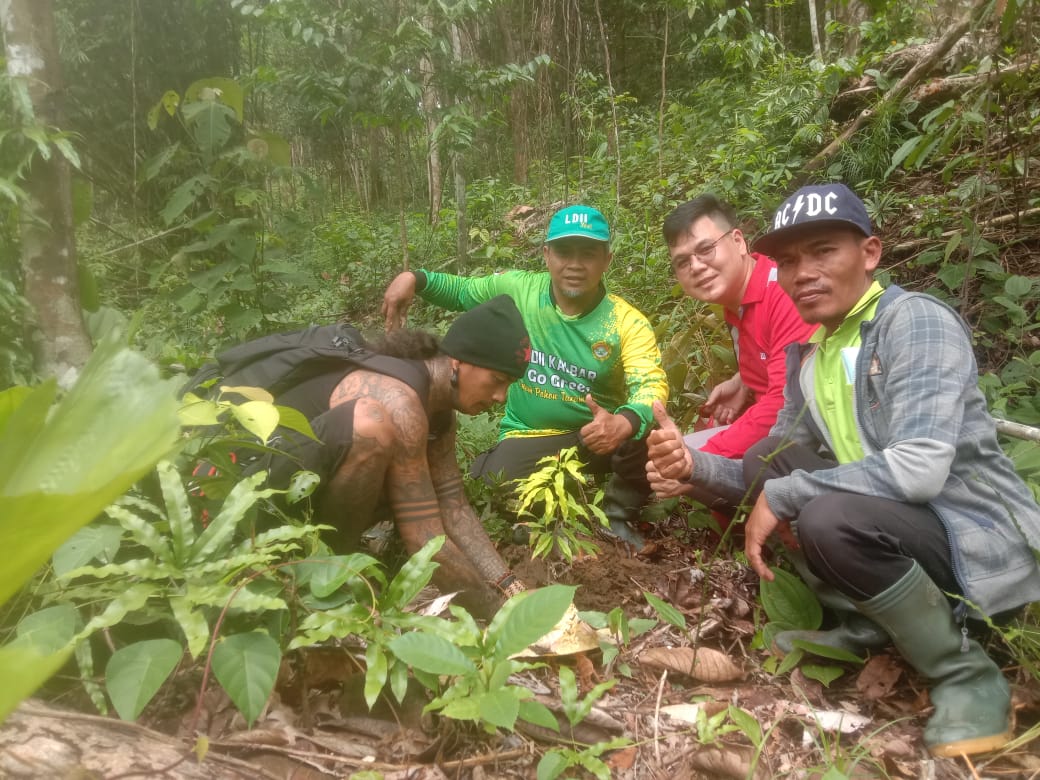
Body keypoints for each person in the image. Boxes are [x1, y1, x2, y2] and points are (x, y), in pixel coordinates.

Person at [647, 182, 1040, 757]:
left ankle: (965, 674)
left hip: (970, 537)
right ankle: (867, 622)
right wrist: (692, 466)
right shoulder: (811, 353)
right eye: (788, 261)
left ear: (870, 253)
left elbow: (921, 468)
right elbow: (769, 471)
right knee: (769, 460)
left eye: (824, 250)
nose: (803, 272)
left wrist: (791, 492)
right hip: (898, 529)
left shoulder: (914, 322)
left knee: (823, 511)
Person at [382, 205, 669, 548]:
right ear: (547, 255)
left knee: (650, 426)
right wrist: (415, 279)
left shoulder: (625, 322)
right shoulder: (520, 291)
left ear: (606, 260)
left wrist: (622, 423)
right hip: (531, 435)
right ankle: (543, 502)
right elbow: (462, 292)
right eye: (564, 252)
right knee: (493, 485)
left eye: (588, 253)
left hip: (602, 437)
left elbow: (650, 385)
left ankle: (618, 514)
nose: (575, 264)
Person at [265, 296, 533, 618]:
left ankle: (335, 568)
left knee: (410, 477)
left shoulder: (439, 412)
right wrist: (503, 615)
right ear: (458, 361)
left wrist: (510, 587)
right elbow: (425, 542)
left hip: (306, 491)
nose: (501, 396)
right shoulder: (399, 401)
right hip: (261, 491)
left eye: (509, 384)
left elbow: (454, 507)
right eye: (497, 380)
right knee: (371, 427)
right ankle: (329, 581)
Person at [651, 194, 816, 509]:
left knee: (688, 466)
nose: (696, 266)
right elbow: (778, 356)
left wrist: (698, 460)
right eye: (683, 262)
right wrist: (743, 381)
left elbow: (784, 405)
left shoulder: (782, 293)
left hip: (810, 440)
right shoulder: (737, 302)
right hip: (782, 430)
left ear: (738, 241)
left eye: (706, 249)